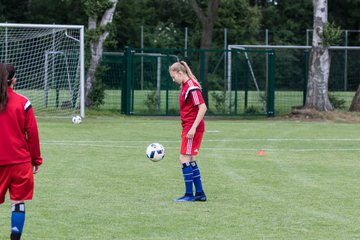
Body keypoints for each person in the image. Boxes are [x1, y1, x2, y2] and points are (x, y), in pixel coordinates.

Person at [0, 63, 43, 240]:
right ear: (13, 80)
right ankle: (15, 236)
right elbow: (32, 133)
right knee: (18, 202)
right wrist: (36, 160)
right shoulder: (24, 103)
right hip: (20, 163)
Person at [169, 61, 207, 202]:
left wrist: (192, 128)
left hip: (192, 128)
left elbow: (203, 108)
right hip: (189, 126)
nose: (173, 80)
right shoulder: (185, 86)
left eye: (174, 77)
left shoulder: (192, 87)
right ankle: (200, 194)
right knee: (190, 159)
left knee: (183, 158)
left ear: (180, 73)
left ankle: (189, 195)